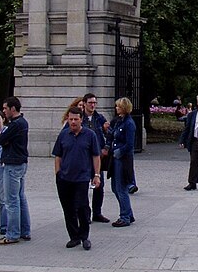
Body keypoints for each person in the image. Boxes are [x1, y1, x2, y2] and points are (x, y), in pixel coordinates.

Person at [52, 106, 101, 250]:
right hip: (64, 178)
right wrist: (58, 173)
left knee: (82, 207)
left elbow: (96, 156)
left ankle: (84, 236)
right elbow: (58, 155)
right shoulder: (63, 135)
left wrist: (96, 175)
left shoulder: (90, 135)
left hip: (82, 178)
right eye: (71, 119)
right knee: (68, 208)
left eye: (76, 119)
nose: (73, 122)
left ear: (81, 120)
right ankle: (74, 236)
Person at [0, 96, 31, 244]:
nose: (4, 112)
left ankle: (12, 234)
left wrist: (4, 138)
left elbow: (0, 140)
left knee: (11, 200)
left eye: (5, 108)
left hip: (13, 163)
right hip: (21, 162)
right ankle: (25, 230)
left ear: (13, 109)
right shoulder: (23, 122)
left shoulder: (15, 124)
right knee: (20, 198)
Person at [106, 97, 136, 227]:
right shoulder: (118, 121)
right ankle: (128, 213)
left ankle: (124, 216)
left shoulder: (129, 123)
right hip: (115, 157)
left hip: (122, 159)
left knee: (121, 188)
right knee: (114, 187)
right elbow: (112, 135)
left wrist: (120, 151)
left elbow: (130, 144)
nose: (116, 108)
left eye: (118, 106)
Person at [82, 93, 110, 222]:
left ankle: (97, 212)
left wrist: (106, 147)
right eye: (90, 103)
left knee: (99, 185)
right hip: (83, 158)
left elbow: (110, 134)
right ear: (84, 103)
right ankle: (85, 214)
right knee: (82, 187)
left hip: (97, 157)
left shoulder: (99, 118)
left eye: (94, 103)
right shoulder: (78, 118)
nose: (93, 105)